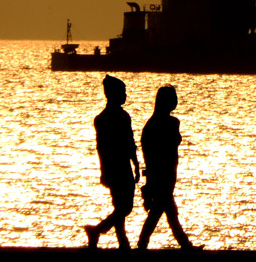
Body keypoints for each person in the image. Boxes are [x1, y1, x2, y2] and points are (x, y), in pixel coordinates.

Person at [137, 85, 197, 250]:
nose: (175, 101)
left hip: (167, 172)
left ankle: (183, 245)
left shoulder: (154, 124)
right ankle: (183, 245)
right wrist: (151, 179)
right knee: (162, 210)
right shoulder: (164, 124)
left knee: (167, 211)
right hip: (162, 172)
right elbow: (151, 153)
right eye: (172, 98)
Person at [84, 75, 140, 249]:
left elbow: (103, 147)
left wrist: (134, 164)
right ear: (114, 94)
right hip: (120, 166)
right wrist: (135, 164)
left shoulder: (103, 118)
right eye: (123, 92)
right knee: (125, 206)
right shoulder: (118, 117)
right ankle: (98, 230)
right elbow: (127, 143)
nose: (125, 96)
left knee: (120, 205)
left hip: (114, 165)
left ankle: (123, 242)